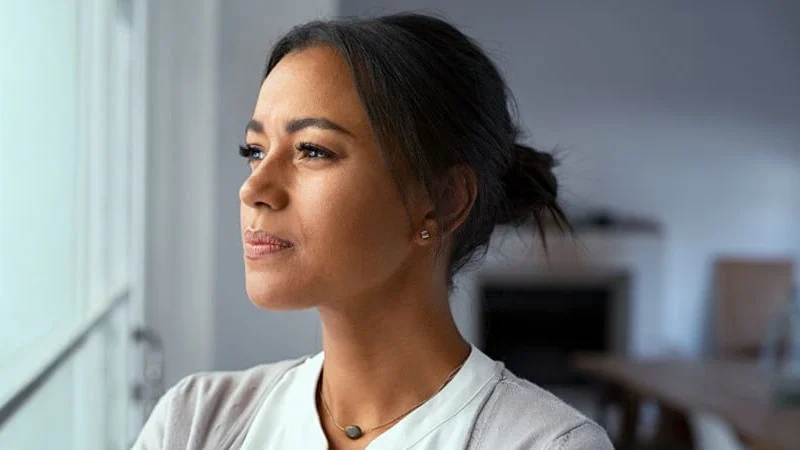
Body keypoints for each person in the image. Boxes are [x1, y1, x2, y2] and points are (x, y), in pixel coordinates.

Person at [133, 13, 613, 450]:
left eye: (312, 150)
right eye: (254, 151)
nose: (254, 188)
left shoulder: (546, 445)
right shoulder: (195, 422)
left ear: (442, 201)